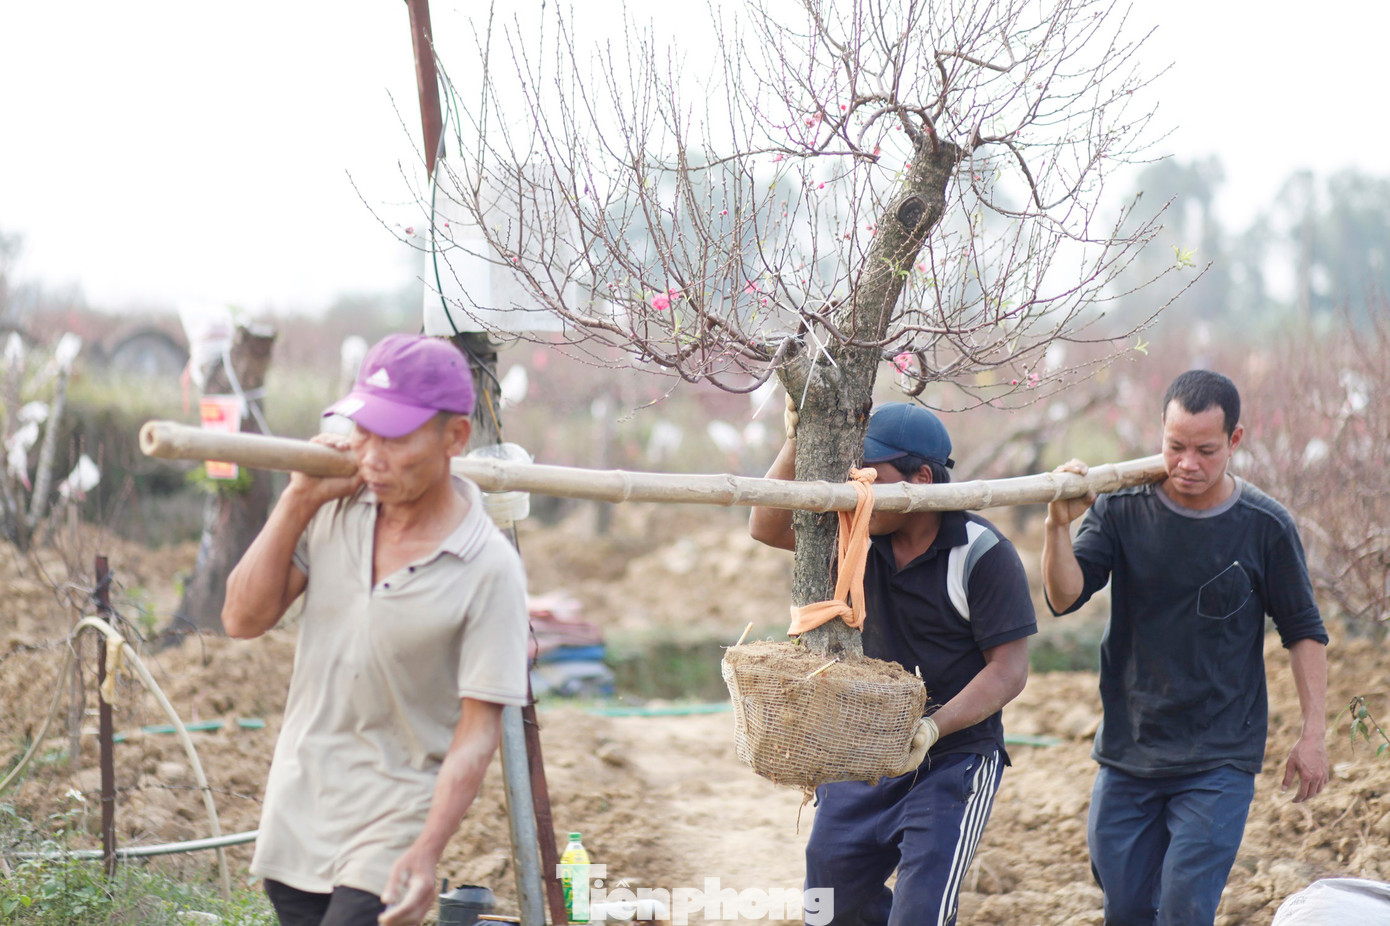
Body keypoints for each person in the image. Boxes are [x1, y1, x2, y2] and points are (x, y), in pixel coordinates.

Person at [222, 334, 530, 926]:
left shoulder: (488, 568)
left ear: (454, 438)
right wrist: (298, 499)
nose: (372, 456)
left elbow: (476, 731)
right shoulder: (334, 511)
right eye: (365, 432)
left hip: (396, 815)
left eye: (395, 438)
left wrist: (428, 847)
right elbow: (242, 619)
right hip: (302, 805)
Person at [1041, 369, 1330, 926]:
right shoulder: (1123, 509)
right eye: (1175, 447)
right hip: (1130, 747)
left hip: (1219, 754)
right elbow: (1064, 596)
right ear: (1161, 437)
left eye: (1205, 450)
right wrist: (1057, 525)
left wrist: (1311, 735)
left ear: (1235, 441)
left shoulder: (1264, 527)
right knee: (1124, 906)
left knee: (1183, 908)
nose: (1187, 464)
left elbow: (1304, 631)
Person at [749, 401, 1036, 926]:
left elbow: (1009, 670)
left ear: (921, 478)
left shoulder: (981, 552)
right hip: (864, 755)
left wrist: (931, 729)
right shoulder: (856, 534)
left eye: (871, 475)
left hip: (954, 759)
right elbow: (766, 526)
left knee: (922, 910)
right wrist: (796, 438)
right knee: (829, 902)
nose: (857, 485)